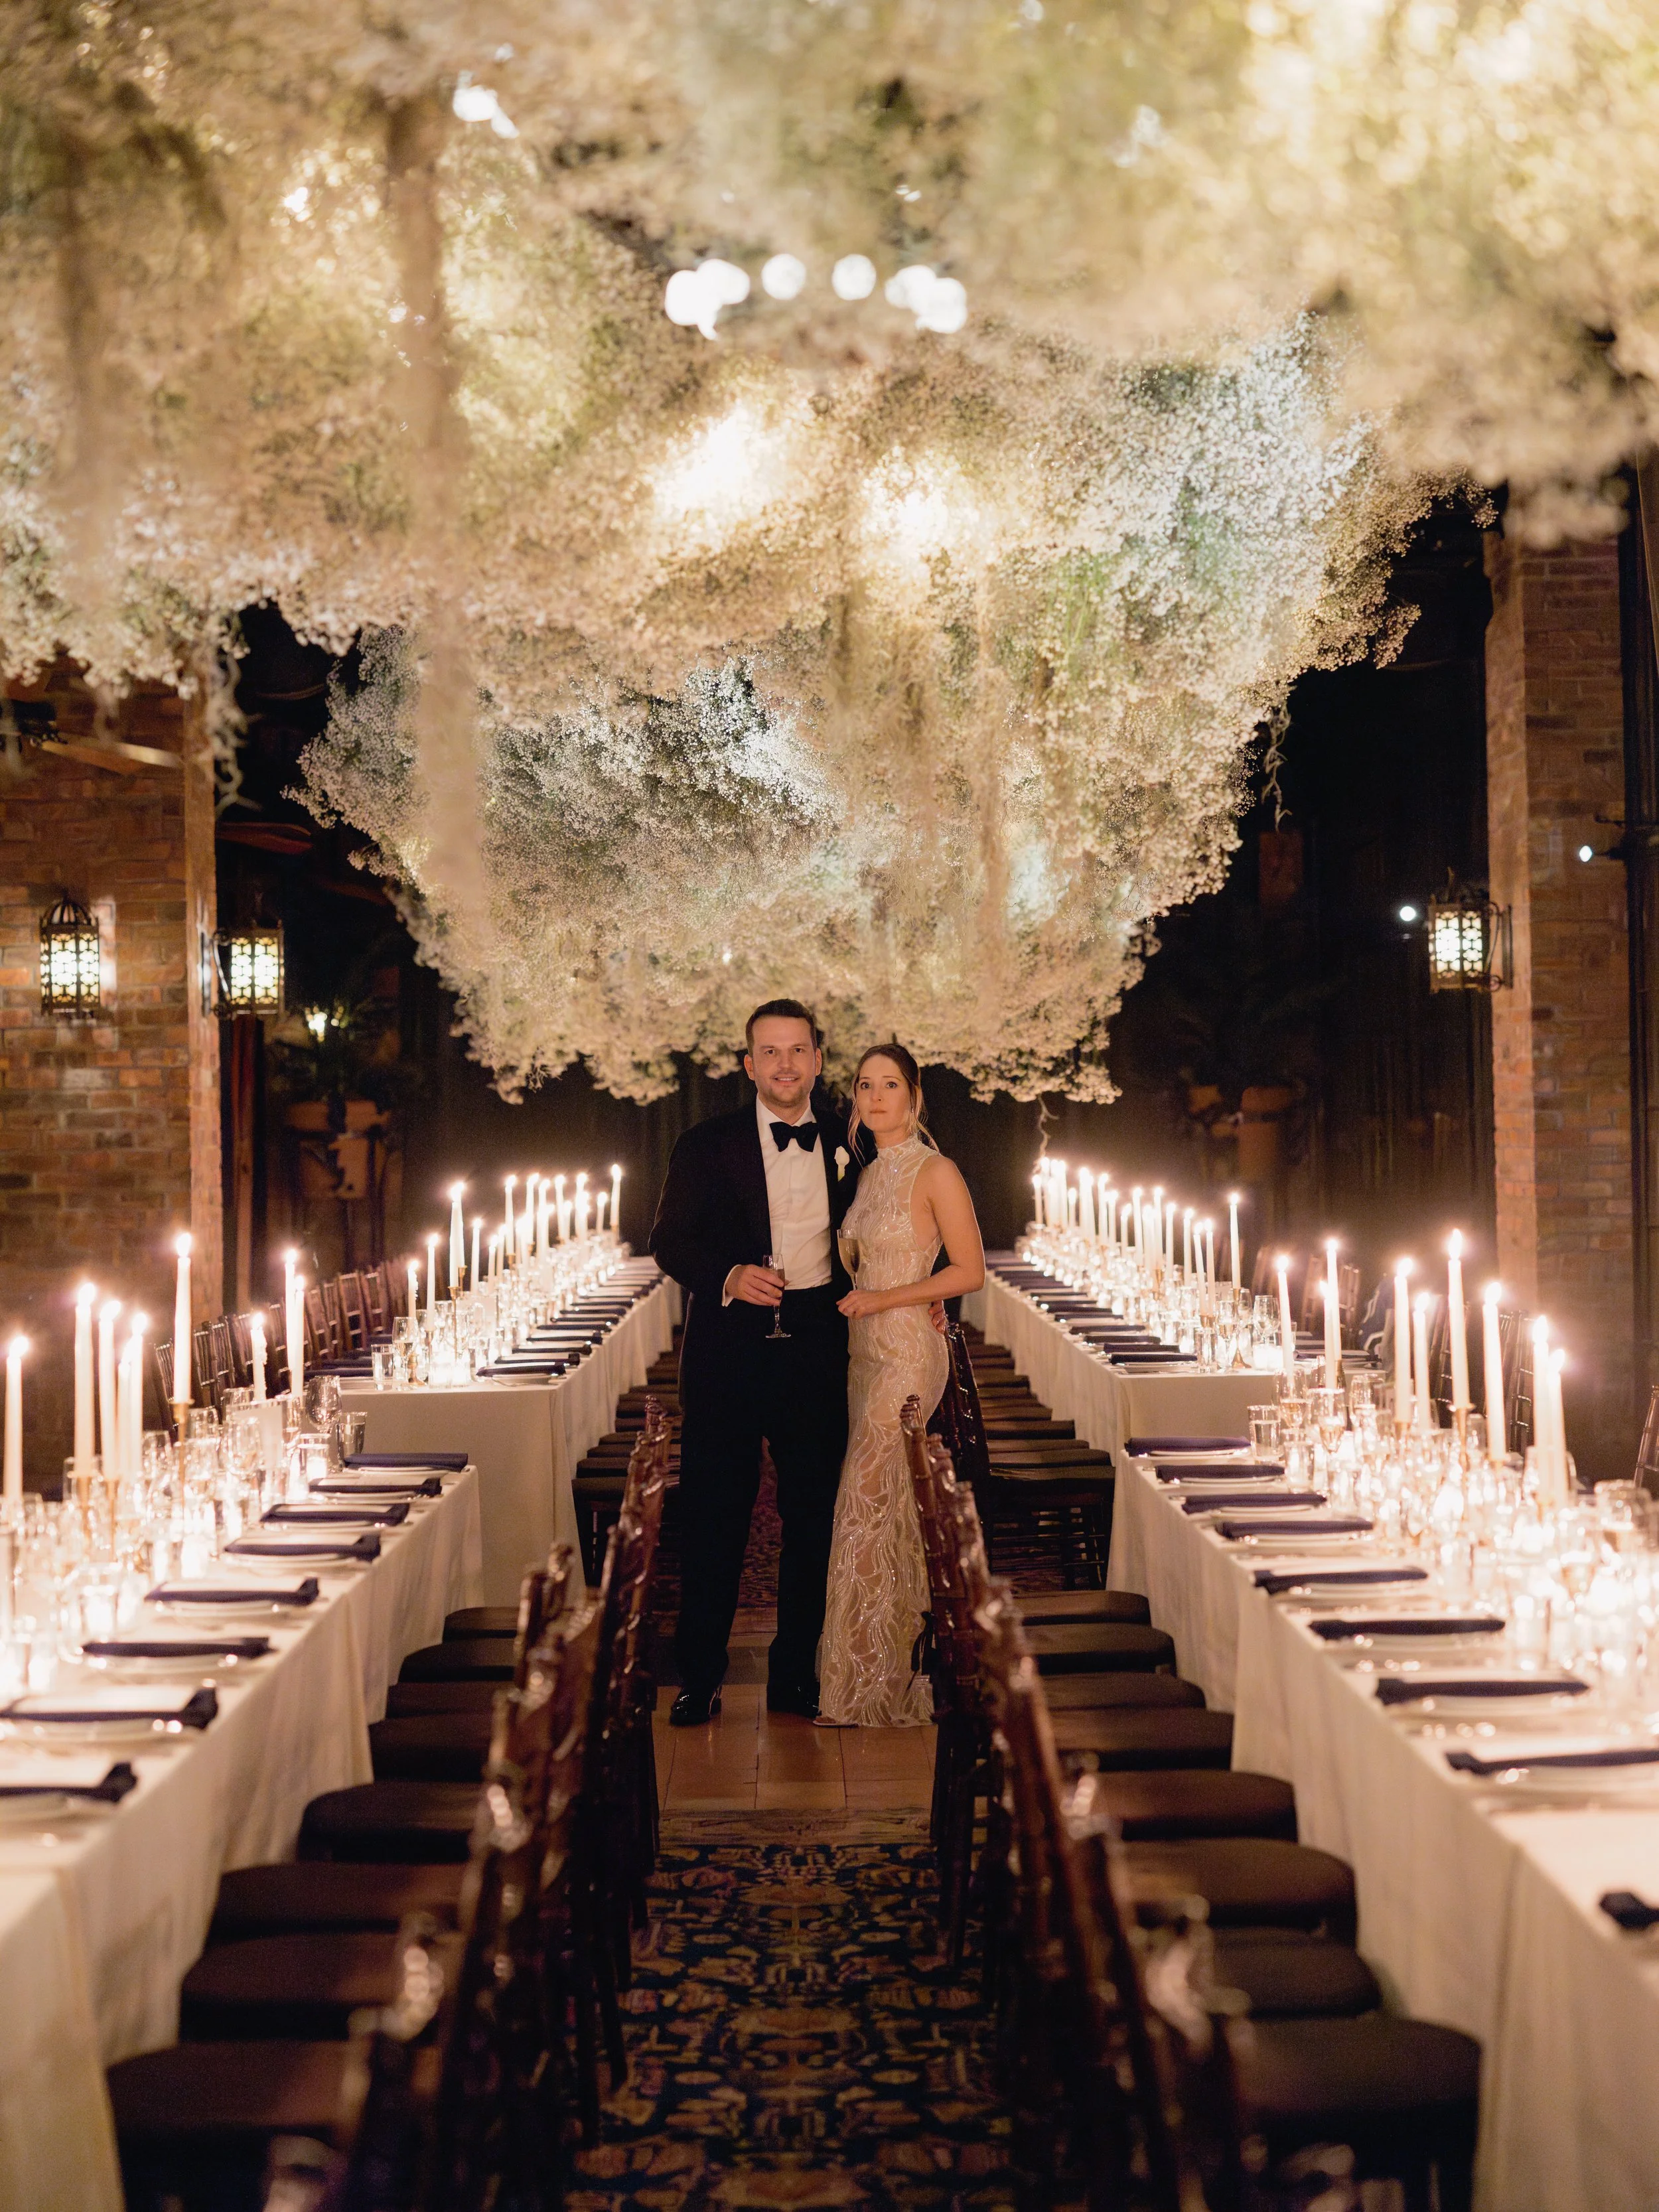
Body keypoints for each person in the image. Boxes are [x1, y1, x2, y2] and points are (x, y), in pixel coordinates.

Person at [649, 999, 860, 1726]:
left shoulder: (849, 1140)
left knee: (812, 1515)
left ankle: (796, 1674)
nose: (784, 1065)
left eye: (797, 1050)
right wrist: (730, 1277)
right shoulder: (705, 1143)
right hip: (727, 1348)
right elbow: (669, 1244)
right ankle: (700, 1675)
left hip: (818, 1342)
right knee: (714, 1514)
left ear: (819, 1060)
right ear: (748, 1065)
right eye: (769, 1052)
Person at [816, 1043, 985, 1728]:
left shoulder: (934, 1169)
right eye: (864, 1086)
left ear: (914, 1096)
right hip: (864, 1357)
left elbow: (968, 1271)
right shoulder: (868, 1174)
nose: (875, 1096)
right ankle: (887, 1667)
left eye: (890, 1085)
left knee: (861, 1503)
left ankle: (859, 1690)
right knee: (882, 1514)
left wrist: (889, 1301)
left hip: (910, 1357)